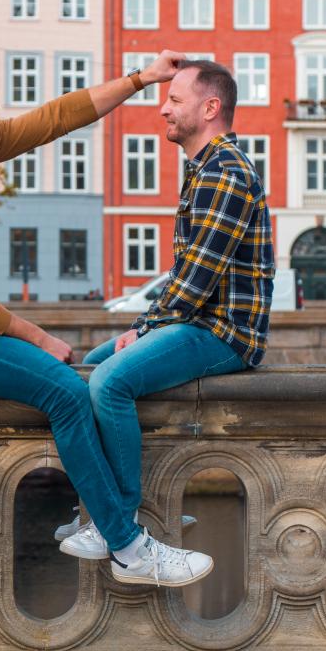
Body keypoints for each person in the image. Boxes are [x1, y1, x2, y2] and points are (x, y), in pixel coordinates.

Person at [0, 50, 213, 587]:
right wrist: (37, 337)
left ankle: (105, 521)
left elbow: (58, 117)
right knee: (63, 390)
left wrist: (140, 78)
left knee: (82, 384)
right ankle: (129, 549)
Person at [57, 60, 275, 564]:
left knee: (109, 382)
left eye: (174, 100)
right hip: (195, 322)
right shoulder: (205, 169)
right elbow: (187, 278)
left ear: (210, 107)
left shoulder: (227, 172)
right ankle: (108, 508)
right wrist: (144, 327)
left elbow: (197, 278)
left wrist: (146, 326)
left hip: (223, 333)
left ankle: (120, 525)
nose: (163, 109)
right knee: (93, 362)